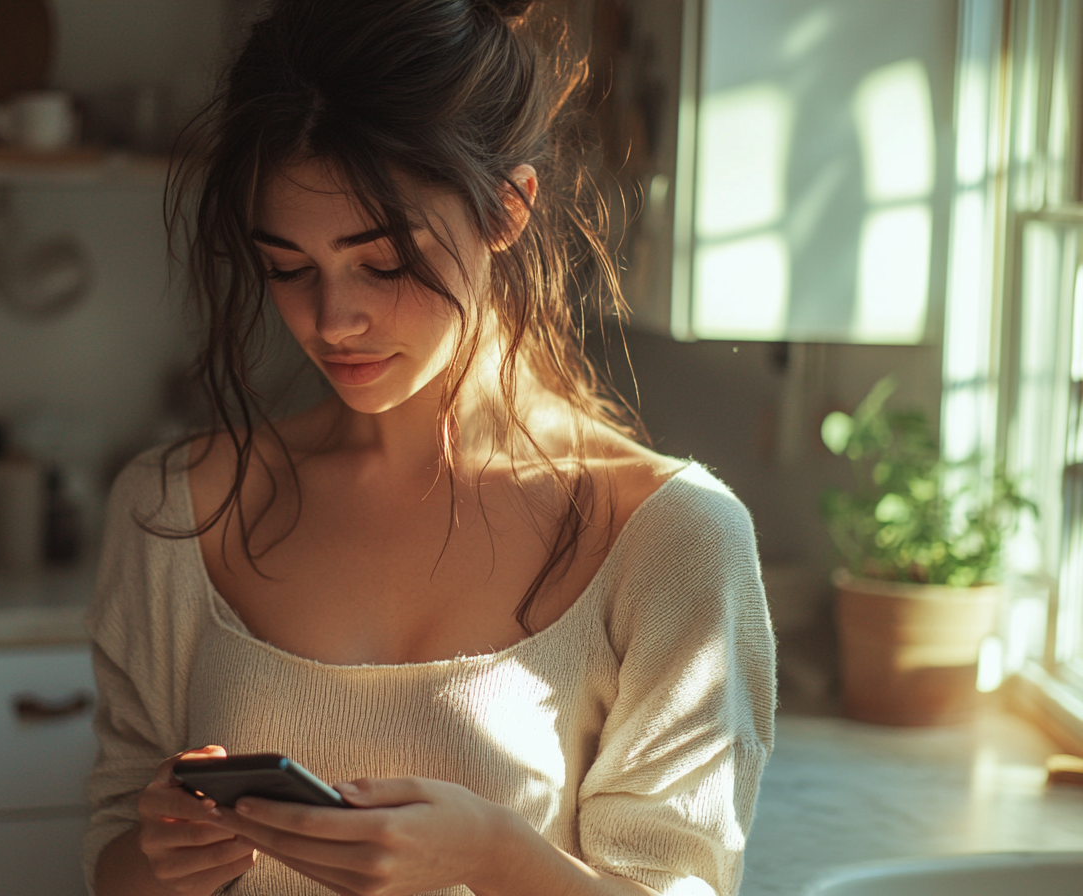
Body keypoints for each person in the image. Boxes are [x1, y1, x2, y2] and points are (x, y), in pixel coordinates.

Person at [84, 0, 775, 894]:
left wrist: (495, 858)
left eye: (384, 261)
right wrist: (160, 851)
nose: (333, 320)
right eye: (288, 269)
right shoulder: (178, 508)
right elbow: (110, 859)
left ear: (507, 209)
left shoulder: (673, 539)